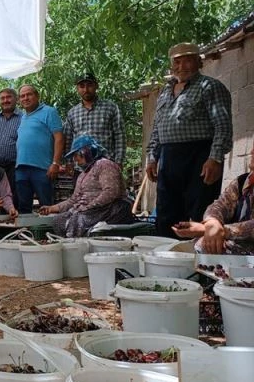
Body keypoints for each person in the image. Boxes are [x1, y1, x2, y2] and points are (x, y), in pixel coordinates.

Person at [146, 42, 233, 237]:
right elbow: (157, 129)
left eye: (187, 61)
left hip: (199, 157)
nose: (181, 66)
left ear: (198, 63)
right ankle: (167, 252)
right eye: (177, 62)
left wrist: (215, 158)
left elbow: (223, 126)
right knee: (167, 213)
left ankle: (198, 254)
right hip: (168, 158)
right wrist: (152, 158)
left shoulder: (209, 87)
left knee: (199, 211)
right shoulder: (165, 92)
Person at [39, 135, 133, 237]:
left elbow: (110, 191)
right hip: (89, 210)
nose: (75, 159)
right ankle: (69, 243)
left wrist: (89, 206)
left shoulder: (105, 165)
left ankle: (78, 244)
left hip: (111, 208)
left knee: (78, 220)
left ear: (86, 152)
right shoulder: (82, 174)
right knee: (58, 220)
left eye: (76, 155)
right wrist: (51, 208)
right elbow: (73, 200)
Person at [173, 146, 254, 254]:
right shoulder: (242, 181)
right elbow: (219, 205)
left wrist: (219, 231)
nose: (252, 151)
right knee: (187, 248)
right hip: (238, 249)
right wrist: (212, 222)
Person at [15, 84, 64, 214]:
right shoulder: (23, 117)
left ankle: (48, 228)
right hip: (21, 168)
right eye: (22, 96)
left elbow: (59, 138)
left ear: (37, 96)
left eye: (29, 94)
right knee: (23, 208)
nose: (25, 98)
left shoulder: (49, 111)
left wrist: (55, 163)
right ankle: (25, 228)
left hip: (42, 169)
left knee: (47, 207)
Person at [63, 72, 125, 165]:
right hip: (80, 167)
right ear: (77, 89)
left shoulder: (111, 108)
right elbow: (68, 140)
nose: (86, 89)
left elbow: (120, 136)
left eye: (89, 85)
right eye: (82, 86)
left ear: (96, 86)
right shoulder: (72, 113)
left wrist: (119, 161)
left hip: (106, 164)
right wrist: (69, 163)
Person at [0, 87, 22, 206]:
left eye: (9, 97)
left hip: (14, 166)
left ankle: (15, 216)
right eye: (2, 98)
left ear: (16, 99)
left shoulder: (24, 117)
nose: (5, 100)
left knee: (15, 197)